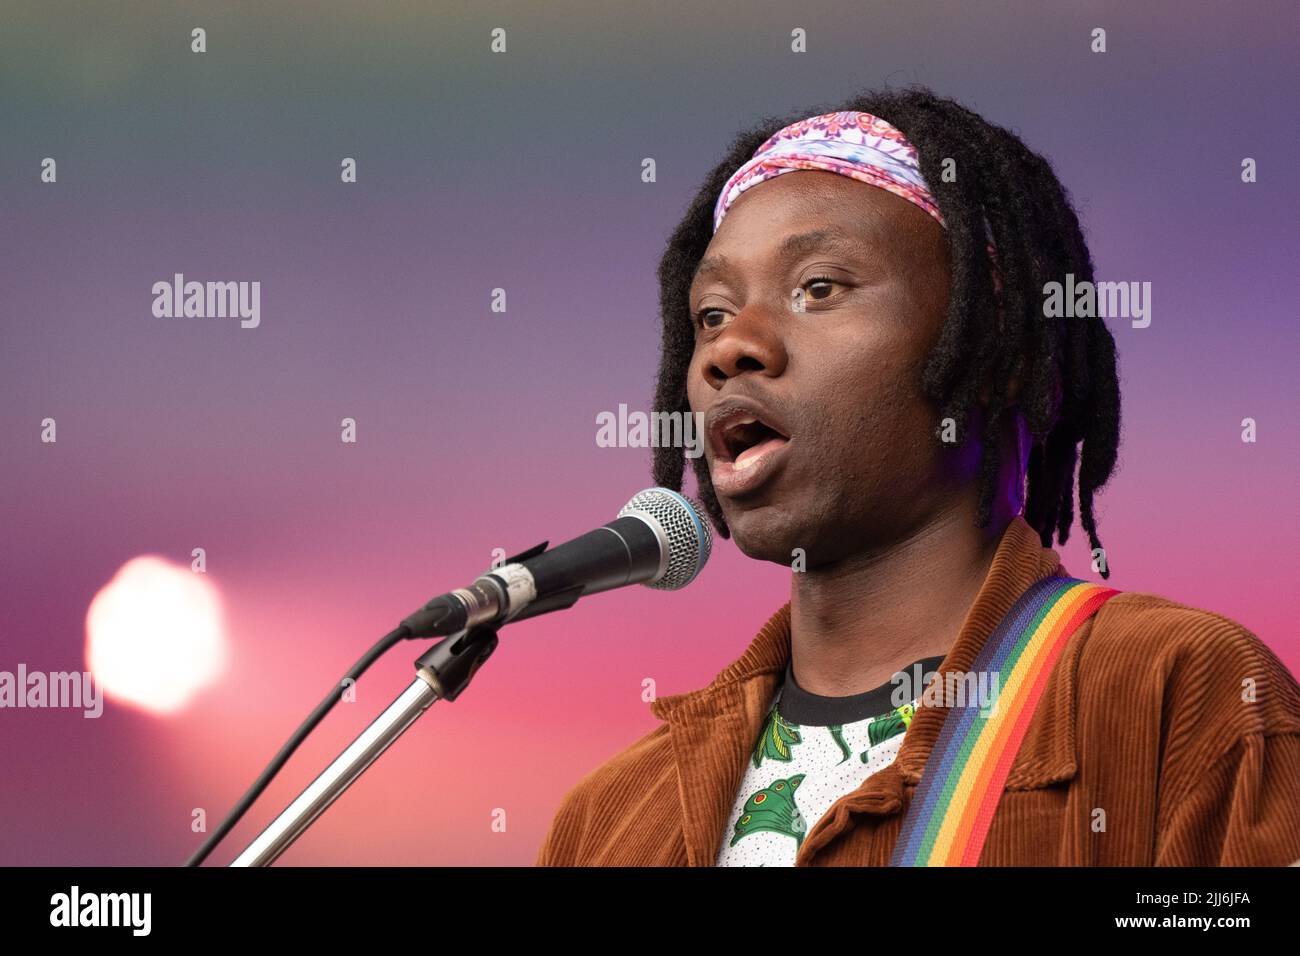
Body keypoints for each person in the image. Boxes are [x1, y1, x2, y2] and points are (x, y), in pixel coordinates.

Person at [535, 87, 1300, 866]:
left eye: (818, 288)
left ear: (998, 350)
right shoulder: (611, 817)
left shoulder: (1176, 697)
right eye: (713, 315)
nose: (730, 349)